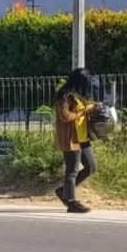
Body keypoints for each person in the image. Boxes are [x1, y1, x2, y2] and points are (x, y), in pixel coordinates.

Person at [54, 68, 100, 214]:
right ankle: (71, 202)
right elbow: (65, 116)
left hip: (83, 137)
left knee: (91, 167)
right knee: (72, 171)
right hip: (71, 138)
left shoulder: (78, 96)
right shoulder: (65, 96)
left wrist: (93, 108)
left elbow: (83, 111)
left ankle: (64, 191)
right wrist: (84, 111)